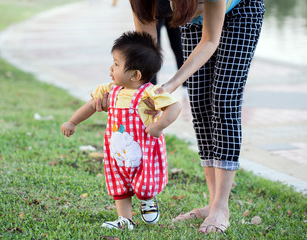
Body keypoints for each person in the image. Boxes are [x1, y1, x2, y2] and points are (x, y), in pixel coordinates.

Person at [98, 0, 265, 233]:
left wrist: (172, 84)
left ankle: (221, 207)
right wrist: (128, 93)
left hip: (240, 12)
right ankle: (211, 203)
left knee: (224, 100)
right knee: (199, 102)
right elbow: (145, 55)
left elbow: (210, 40)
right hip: (192, 19)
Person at [61, 31, 181, 230]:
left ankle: (148, 199)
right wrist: (72, 122)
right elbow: (92, 105)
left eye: (116, 64)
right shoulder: (110, 90)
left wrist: (158, 126)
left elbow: (175, 107)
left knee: (144, 182)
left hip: (144, 153)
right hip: (116, 152)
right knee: (119, 184)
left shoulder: (149, 93)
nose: (111, 67)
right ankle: (125, 219)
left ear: (135, 75)